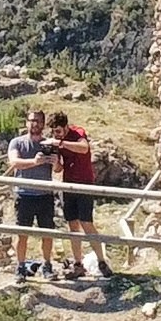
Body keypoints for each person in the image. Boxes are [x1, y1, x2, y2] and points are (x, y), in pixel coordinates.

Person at [52, 113, 103, 279]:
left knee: (87, 223)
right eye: (54, 132)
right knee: (73, 225)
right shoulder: (57, 142)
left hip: (85, 183)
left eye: (59, 131)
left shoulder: (78, 133)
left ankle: (101, 261)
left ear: (66, 127)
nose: (56, 134)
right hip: (68, 185)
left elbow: (84, 148)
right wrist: (54, 160)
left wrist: (61, 143)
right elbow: (58, 169)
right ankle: (78, 263)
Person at [3, 119, 56, 276]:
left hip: (45, 195)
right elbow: (15, 162)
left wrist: (55, 161)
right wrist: (35, 161)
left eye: (38, 121)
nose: (35, 124)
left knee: (48, 233)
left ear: (43, 124)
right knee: (22, 234)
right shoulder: (17, 142)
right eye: (32, 120)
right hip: (24, 194)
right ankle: (20, 266)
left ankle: (47, 265)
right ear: (27, 123)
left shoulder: (49, 144)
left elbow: (59, 169)